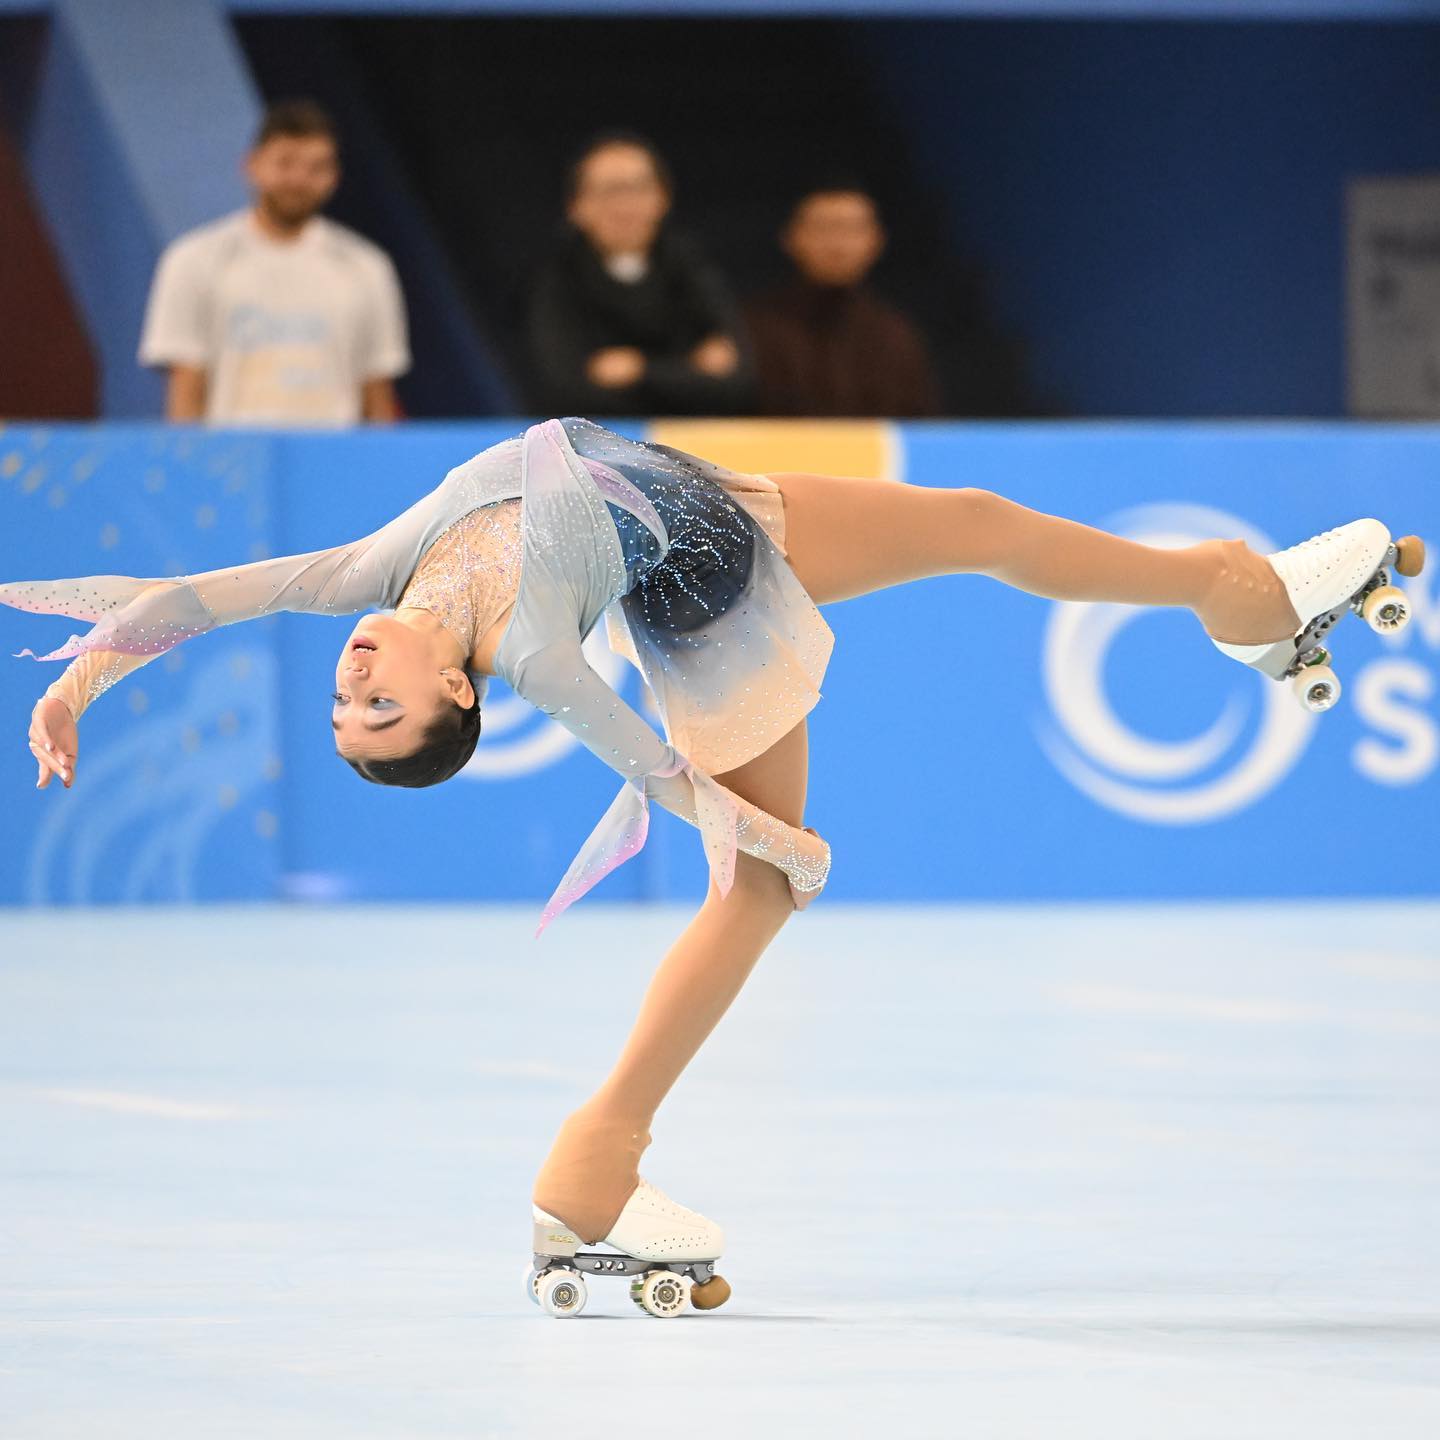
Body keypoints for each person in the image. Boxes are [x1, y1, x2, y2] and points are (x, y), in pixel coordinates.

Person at [6, 418, 1415, 1316]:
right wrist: (741, 830)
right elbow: (643, 760)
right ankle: (592, 1170)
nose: (354, 682)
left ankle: (1246, 595)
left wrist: (79, 689)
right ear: (464, 699)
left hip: (718, 495)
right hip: (716, 597)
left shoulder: (374, 574)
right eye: (379, 713)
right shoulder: (539, 652)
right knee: (759, 885)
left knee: (982, 519)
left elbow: (192, 598)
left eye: (346, 704)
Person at [138, 99, 410, 426]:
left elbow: (376, 391)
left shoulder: (367, 267)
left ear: (334, 177)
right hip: (236, 462)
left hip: (336, 463)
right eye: (285, 163)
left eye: (316, 168)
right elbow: (186, 388)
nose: (298, 179)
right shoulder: (193, 260)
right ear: (252, 164)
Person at [527, 134, 752, 418]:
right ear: (575, 207)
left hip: (695, 444)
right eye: (608, 190)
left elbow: (738, 384)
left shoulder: (693, 269)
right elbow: (567, 392)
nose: (624, 205)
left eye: (637, 188)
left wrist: (639, 369)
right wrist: (689, 370)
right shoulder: (554, 281)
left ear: (663, 197)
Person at [744, 181, 941, 418]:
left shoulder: (896, 336)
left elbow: (920, 430)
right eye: (824, 228)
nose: (838, 245)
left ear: (876, 240)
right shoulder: (754, 329)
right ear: (791, 237)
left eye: (851, 229)